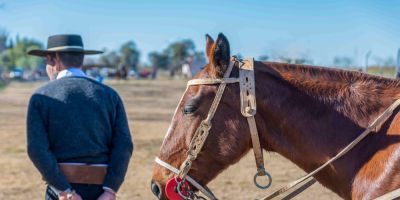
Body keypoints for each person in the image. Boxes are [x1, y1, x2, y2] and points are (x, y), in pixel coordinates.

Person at [26, 34, 134, 200]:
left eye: (46, 61)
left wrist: (65, 190)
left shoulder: (41, 96)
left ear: (53, 60)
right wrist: (111, 189)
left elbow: (37, 150)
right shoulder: (110, 95)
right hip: (101, 191)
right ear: (81, 60)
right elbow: (124, 145)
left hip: (61, 193)